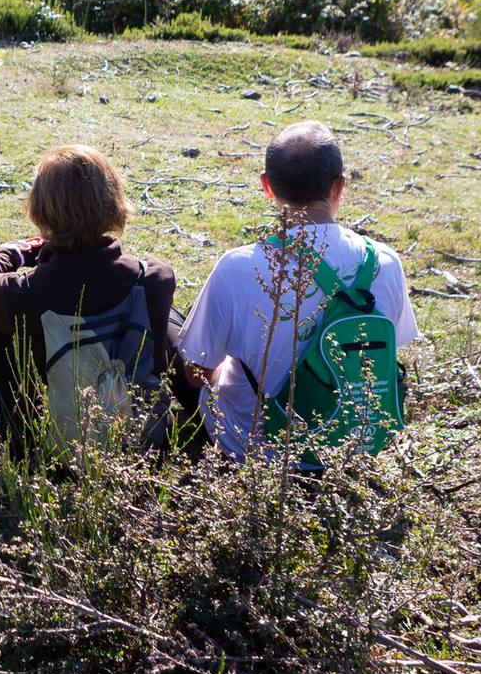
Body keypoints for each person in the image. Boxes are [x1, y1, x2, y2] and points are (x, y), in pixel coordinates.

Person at [177, 122, 418, 461]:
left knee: (179, 330)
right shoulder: (384, 261)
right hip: (354, 450)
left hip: (256, 449)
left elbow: (196, 370)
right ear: (339, 186)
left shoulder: (237, 266)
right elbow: (393, 348)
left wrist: (225, 374)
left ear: (266, 186)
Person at [0, 144, 179, 459]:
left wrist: (18, 251)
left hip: (60, 455)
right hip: (141, 449)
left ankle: (16, 429)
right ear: (113, 202)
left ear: (40, 210)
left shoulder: (25, 292)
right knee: (171, 319)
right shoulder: (155, 277)